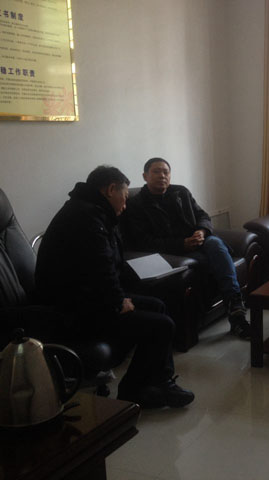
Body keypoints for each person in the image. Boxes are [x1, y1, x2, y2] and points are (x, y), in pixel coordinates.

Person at [35, 166, 194, 409]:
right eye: (125, 197)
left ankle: (159, 382)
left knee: (158, 306)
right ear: (111, 189)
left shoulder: (92, 212)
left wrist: (123, 293)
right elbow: (99, 268)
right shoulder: (86, 218)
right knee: (162, 325)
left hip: (85, 296)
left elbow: (107, 264)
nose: (125, 204)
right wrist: (118, 300)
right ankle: (133, 390)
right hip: (71, 309)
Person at [124, 157, 251, 339]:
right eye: (156, 172)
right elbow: (142, 241)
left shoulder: (181, 192)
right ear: (145, 176)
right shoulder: (136, 204)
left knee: (215, 243)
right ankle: (237, 315)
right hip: (174, 252)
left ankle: (235, 305)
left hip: (198, 242)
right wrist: (181, 244)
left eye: (166, 172)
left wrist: (201, 231)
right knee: (215, 259)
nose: (162, 176)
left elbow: (203, 216)